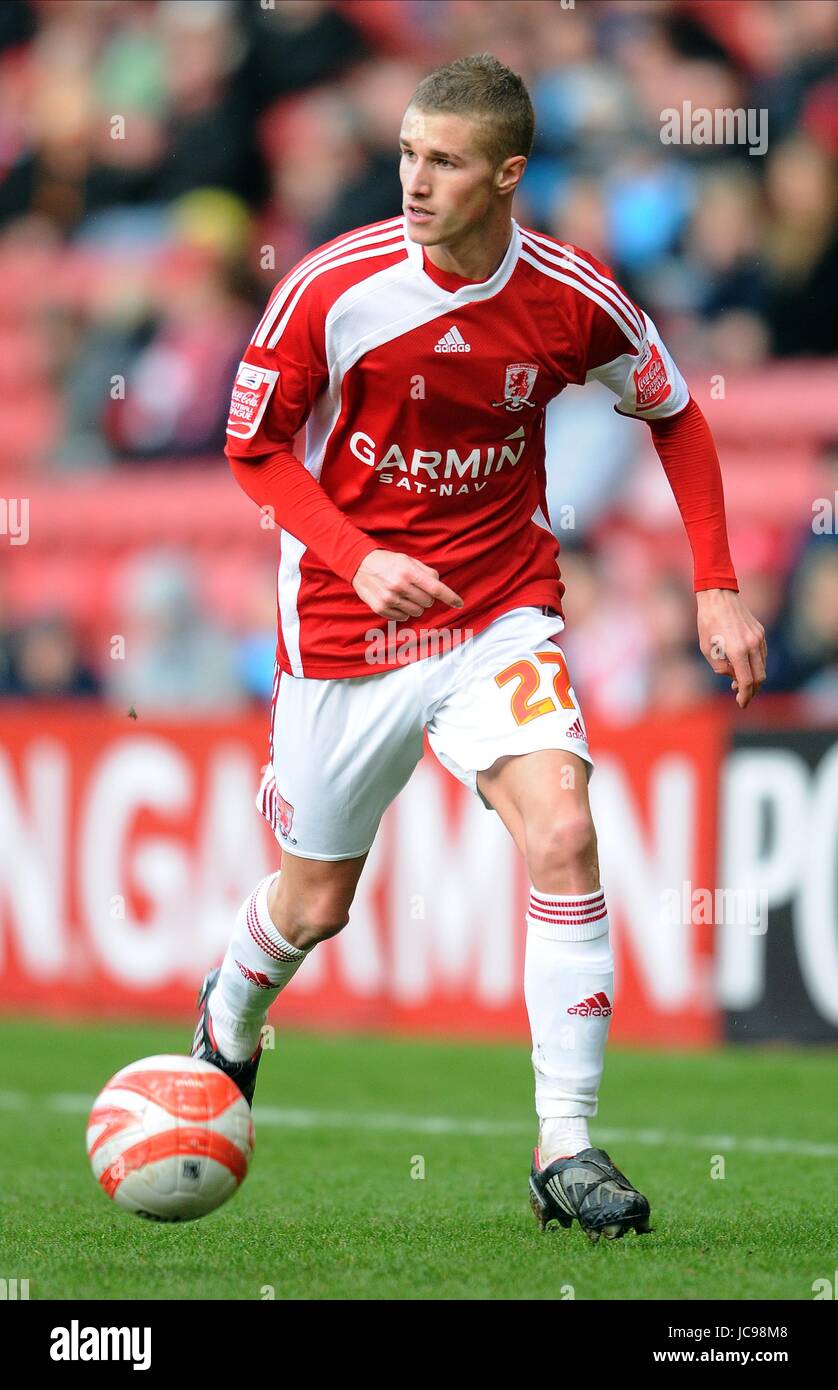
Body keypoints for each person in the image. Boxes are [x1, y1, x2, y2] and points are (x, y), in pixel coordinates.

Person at [192, 54, 766, 1242]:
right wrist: (355, 557)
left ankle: (567, 1145)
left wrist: (714, 587)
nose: (412, 179)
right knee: (313, 903)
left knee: (562, 828)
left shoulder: (568, 297)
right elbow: (252, 449)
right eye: (405, 152)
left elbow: (674, 412)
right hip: (351, 627)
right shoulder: (331, 287)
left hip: (500, 605)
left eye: (442, 161)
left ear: (507, 174)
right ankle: (231, 1016)